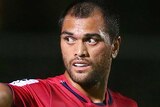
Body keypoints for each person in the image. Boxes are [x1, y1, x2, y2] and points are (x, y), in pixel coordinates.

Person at [0, 0, 138, 107]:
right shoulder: (39, 95)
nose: (79, 52)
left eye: (91, 40)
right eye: (69, 39)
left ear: (114, 46)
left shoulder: (127, 104)